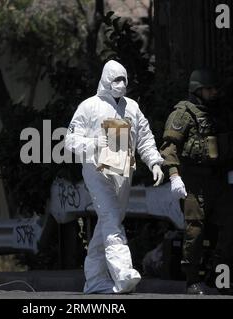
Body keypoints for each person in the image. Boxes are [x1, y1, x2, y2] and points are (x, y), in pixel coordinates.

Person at [65, 60, 164, 294]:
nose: (120, 84)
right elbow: (70, 141)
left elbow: (145, 138)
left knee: (108, 222)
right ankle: (123, 272)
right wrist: (95, 144)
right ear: (105, 80)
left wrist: (154, 161)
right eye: (115, 80)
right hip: (97, 172)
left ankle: (95, 280)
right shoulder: (89, 107)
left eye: (123, 80)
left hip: (123, 173)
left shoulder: (132, 108)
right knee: (110, 219)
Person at [160, 69, 233, 295]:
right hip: (193, 181)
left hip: (218, 180)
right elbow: (169, 147)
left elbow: (230, 143)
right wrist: (174, 176)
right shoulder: (183, 114)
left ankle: (218, 275)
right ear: (198, 90)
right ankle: (191, 281)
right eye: (210, 89)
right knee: (194, 230)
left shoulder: (217, 113)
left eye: (215, 89)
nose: (214, 93)